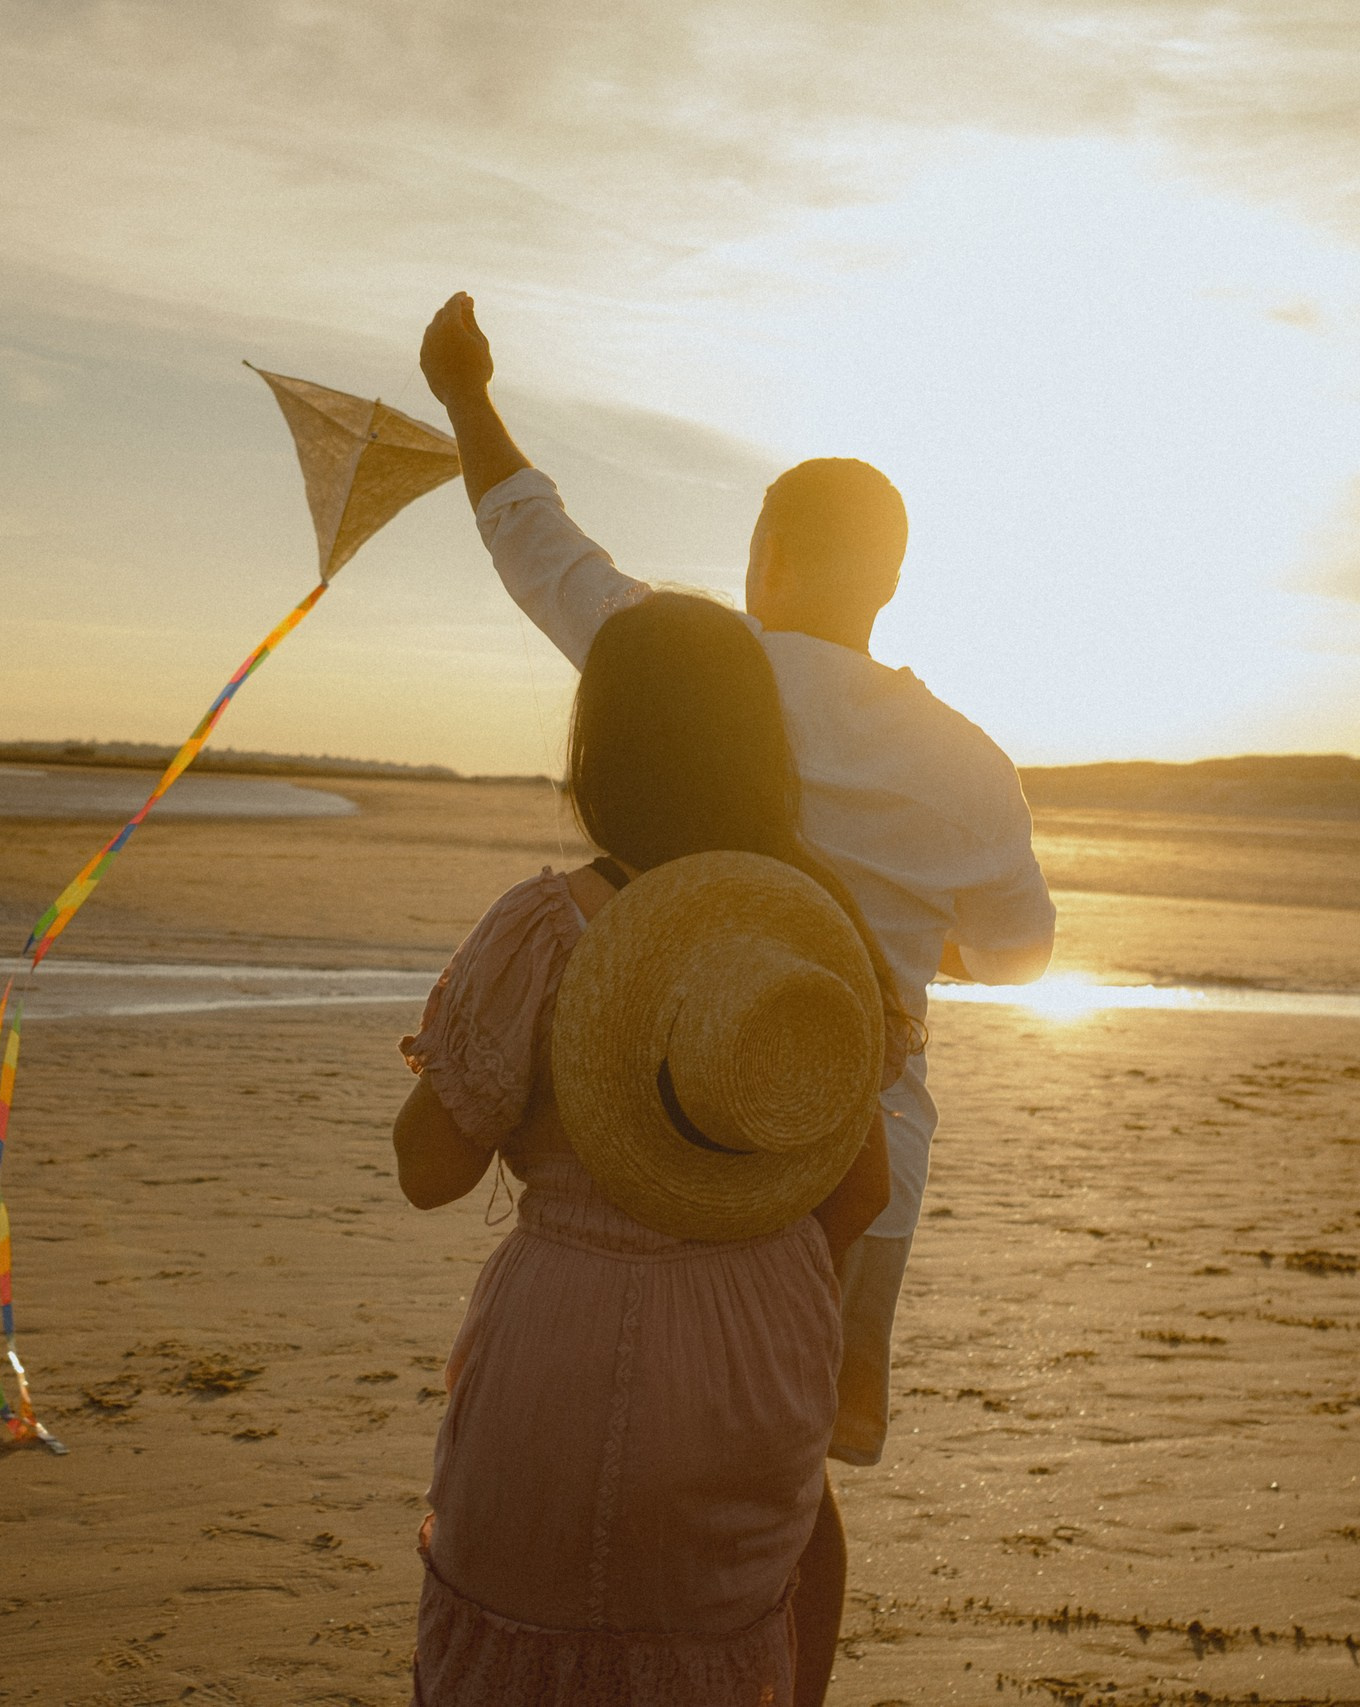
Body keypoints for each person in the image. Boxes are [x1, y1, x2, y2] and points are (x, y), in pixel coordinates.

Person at [420, 291, 1056, 1707]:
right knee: (789, 1466)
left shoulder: (684, 670)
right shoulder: (965, 759)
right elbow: (1024, 952)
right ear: (889, 581)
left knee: (621, 1415)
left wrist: (465, 392)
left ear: (763, 553)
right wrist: (912, 943)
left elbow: (539, 541)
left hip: (636, 1108)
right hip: (848, 1139)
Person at [393, 590, 911, 1703]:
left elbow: (430, 1172)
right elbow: (864, 1185)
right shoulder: (808, 931)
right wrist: (745, 1258)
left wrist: (450, 1045)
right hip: (756, 1333)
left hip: (565, 1328)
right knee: (712, 1643)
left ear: (603, 745)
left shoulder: (545, 926)